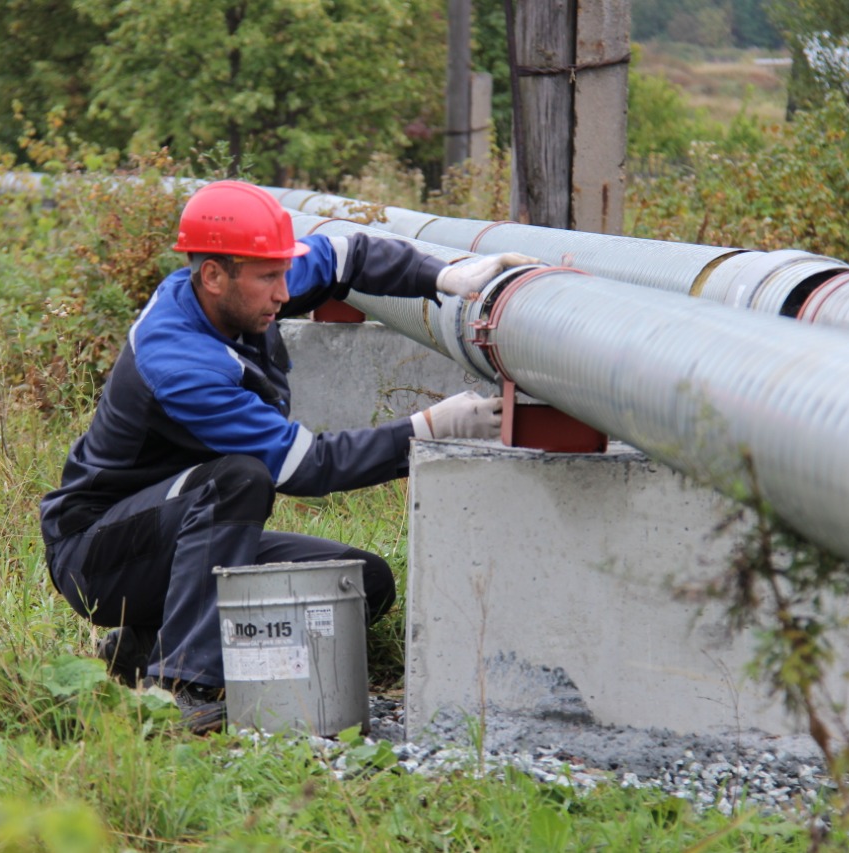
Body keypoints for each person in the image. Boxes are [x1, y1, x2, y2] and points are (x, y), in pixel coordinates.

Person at [39, 180, 534, 733]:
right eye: (269, 278)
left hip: (175, 527)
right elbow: (302, 465)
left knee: (359, 583)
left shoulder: (237, 290)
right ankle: (180, 687)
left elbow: (349, 255)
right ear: (212, 275)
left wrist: (443, 276)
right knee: (237, 480)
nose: (283, 292)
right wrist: (425, 429)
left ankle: (145, 640)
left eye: (282, 273)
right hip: (97, 554)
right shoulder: (181, 361)